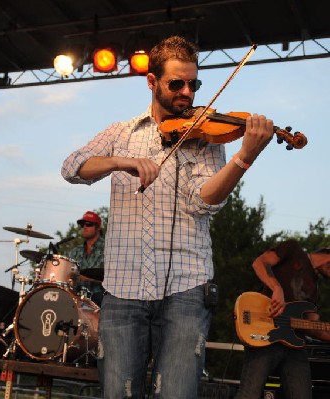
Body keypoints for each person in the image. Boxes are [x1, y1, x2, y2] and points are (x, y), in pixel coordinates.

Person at [61, 35, 275, 398]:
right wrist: (121, 160)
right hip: (123, 289)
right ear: (152, 82)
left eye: (194, 84)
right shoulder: (122, 132)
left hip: (186, 289)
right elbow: (72, 167)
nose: (187, 93)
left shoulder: (206, 135)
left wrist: (244, 157)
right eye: (177, 83)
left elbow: (203, 201)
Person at [235, 240, 330, 399]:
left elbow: (312, 328)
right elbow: (260, 262)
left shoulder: (315, 288)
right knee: (249, 394)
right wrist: (277, 288)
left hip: (295, 346)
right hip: (265, 333)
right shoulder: (293, 249)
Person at [67, 211, 105, 305]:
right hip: (76, 299)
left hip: (100, 299)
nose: (84, 227)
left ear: (98, 227)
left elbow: (113, 276)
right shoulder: (75, 251)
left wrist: (88, 278)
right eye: (82, 224)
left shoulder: (109, 249)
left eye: (88, 224)